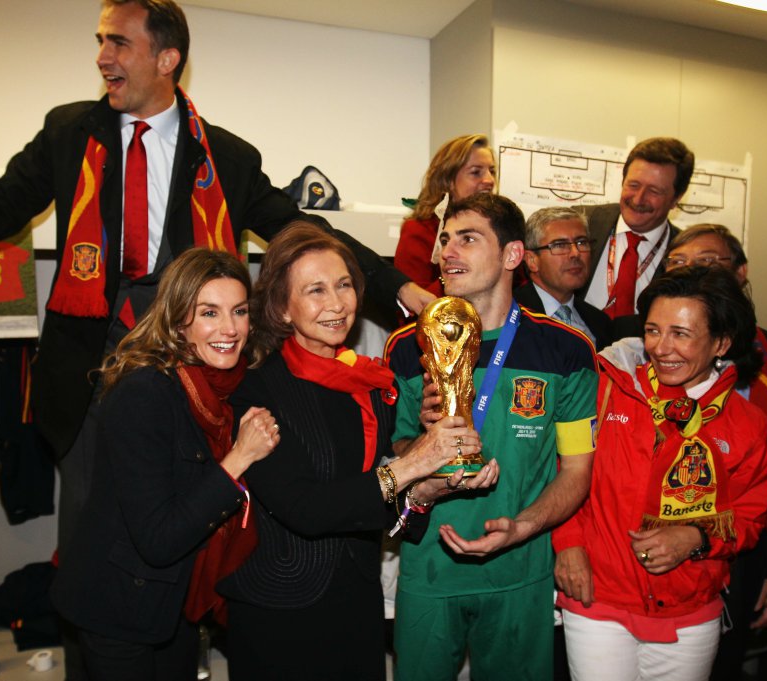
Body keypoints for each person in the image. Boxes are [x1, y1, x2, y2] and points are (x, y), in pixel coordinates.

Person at [0, 1, 430, 673]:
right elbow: (3, 197)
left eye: (117, 43)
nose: (102, 57)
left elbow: (300, 227)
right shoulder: (70, 132)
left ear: (167, 58)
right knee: (102, 555)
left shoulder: (228, 157)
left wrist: (394, 286)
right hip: (91, 376)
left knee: (194, 525)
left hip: (197, 373)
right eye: (100, 42)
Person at [219, 223, 498, 681]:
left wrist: (427, 489)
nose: (336, 303)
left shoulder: (369, 386)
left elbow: (379, 510)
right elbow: (304, 508)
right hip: (281, 611)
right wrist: (414, 463)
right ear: (282, 309)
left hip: (357, 604)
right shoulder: (256, 389)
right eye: (315, 290)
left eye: (345, 284)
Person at [385, 193, 598, 681]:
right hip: (429, 569)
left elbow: (577, 470)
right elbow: (393, 459)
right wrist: (423, 438)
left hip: (520, 571)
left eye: (467, 238)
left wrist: (523, 528)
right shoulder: (407, 346)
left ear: (512, 255)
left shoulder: (565, 350)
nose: (447, 253)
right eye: (444, 240)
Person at [50, 248, 280, 679]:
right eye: (209, 312)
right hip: (120, 606)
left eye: (239, 311)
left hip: (178, 601)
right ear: (178, 321)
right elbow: (159, 538)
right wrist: (239, 457)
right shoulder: (146, 394)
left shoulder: (229, 389)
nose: (229, 329)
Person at [553, 266, 767, 681]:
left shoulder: (749, 426)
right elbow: (565, 472)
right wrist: (568, 543)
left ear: (721, 342)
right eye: (654, 330)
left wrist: (696, 538)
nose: (661, 348)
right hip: (599, 595)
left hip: (690, 607)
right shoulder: (608, 390)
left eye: (681, 334)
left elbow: (750, 519)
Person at [660, 224, 767, 680]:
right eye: (680, 262)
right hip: (655, 547)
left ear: (741, 273)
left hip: (749, 554)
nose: (693, 272)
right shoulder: (646, 346)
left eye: (708, 262)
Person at [579, 136, 694, 320]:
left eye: (654, 191)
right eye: (633, 185)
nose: (639, 199)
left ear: (676, 198)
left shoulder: (686, 254)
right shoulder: (581, 223)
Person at [394, 134, 496, 298]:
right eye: (476, 172)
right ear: (447, 181)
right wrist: (454, 274)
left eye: (492, 171)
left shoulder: (499, 228)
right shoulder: (421, 230)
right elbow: (412, 305)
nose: (489, 180)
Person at [516, 206, 614, 350]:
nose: (575, 253)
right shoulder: (509, 313)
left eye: (581, 242)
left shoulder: (600, 322)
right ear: (532, 260)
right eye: (560, 245)